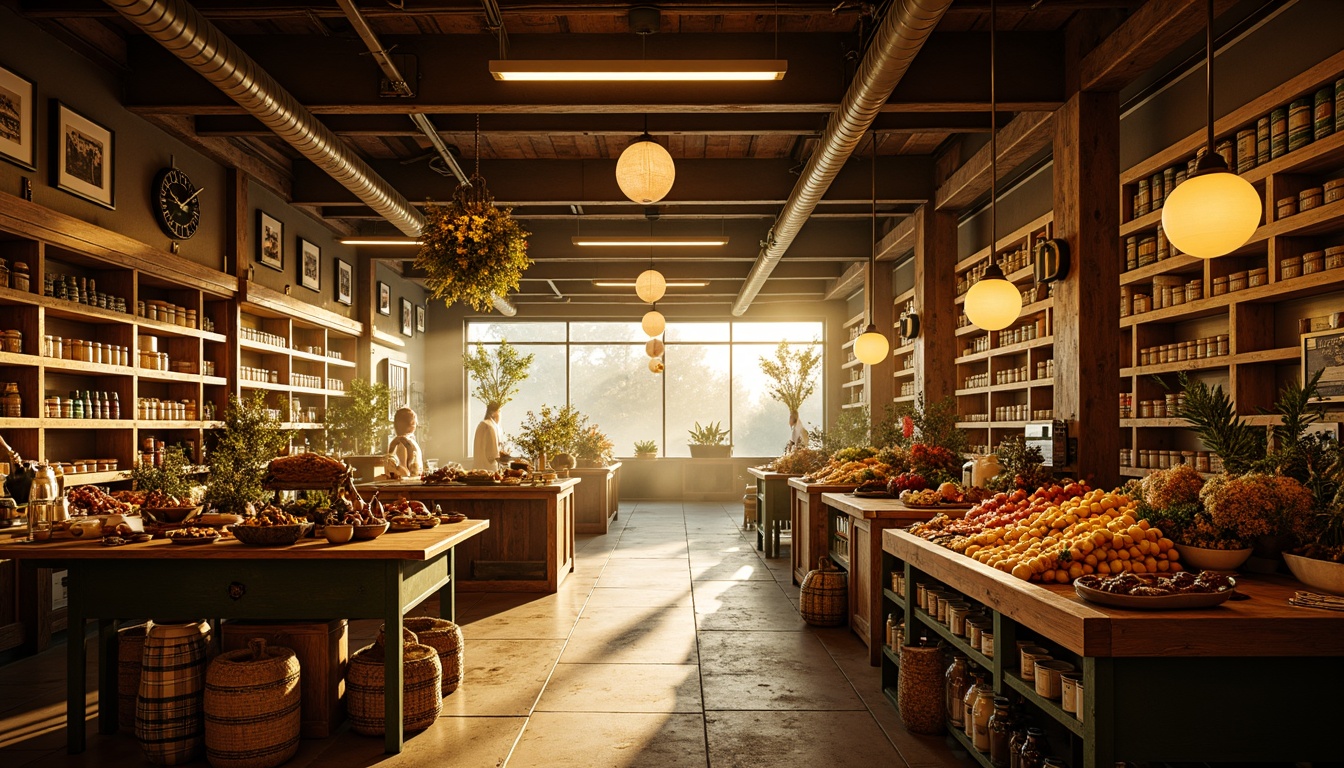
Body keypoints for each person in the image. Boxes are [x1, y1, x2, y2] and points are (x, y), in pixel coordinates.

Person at [383, 407, 423, 480]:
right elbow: (403, 469)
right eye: (415, 423)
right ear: (412, 424)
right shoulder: (403, 443)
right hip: (407, 484)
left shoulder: (397, 442)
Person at [472, 402, 505, 470]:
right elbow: (493, 454)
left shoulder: (483, 424)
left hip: (478, 466)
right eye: (499, 412)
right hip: (489, 468)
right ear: (496, 412)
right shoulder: (490, 426)